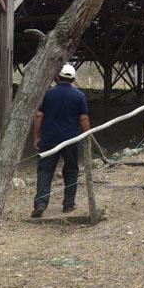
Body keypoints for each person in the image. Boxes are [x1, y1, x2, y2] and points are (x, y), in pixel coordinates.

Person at [31, 64, 90, 218]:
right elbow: (83, 118)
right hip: (70, 139)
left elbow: (39, 116)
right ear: (73, 78)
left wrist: (36, 137)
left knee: (45, 170)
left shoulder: (48, 94)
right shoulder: (79, 96)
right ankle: (68, 204)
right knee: (71, 170)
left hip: (49, 139)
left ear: (57, 77)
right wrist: (87, 136)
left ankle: (40, 204)